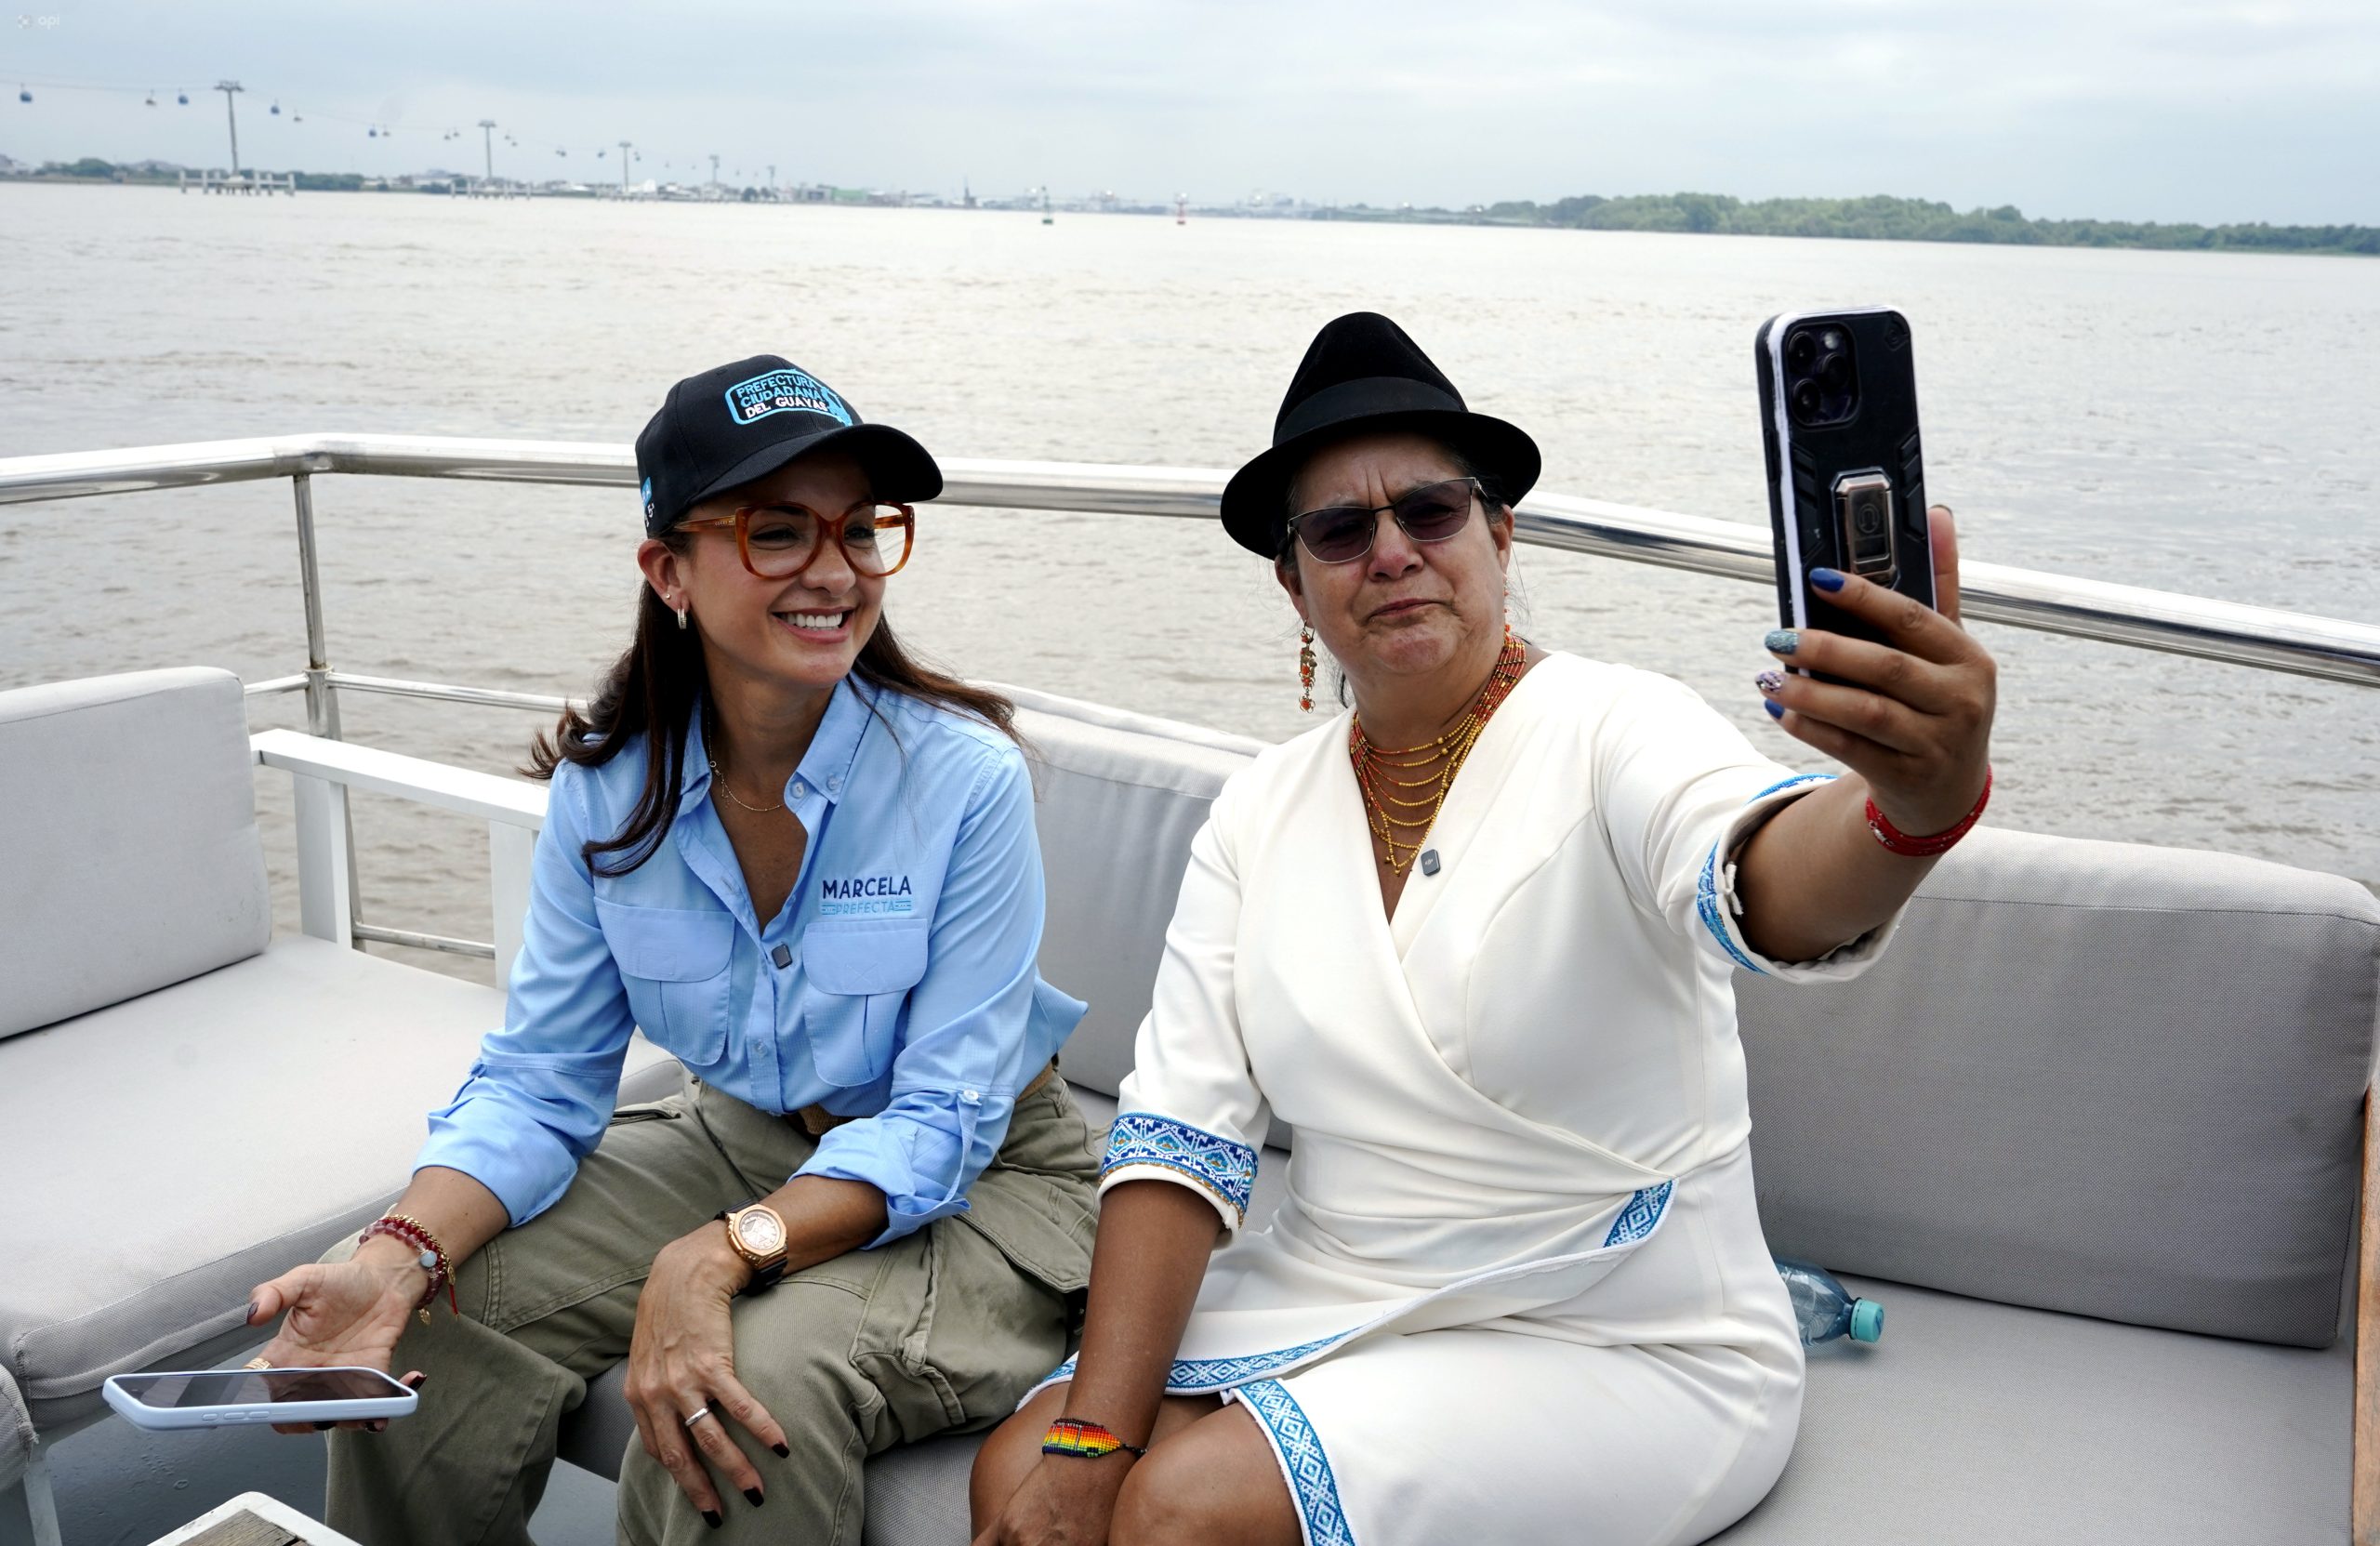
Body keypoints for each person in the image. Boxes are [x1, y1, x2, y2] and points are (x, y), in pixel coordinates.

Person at [971, 313, 1997, 1546]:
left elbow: (1756, 874)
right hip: (1336, 1285)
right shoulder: (1259, 808)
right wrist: (1089, 1438)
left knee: (1178, 1511)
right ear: (1294, 585)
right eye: (1339, 530)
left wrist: (1908, 808)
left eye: (1431, 509)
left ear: (1499, 534)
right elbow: (1180, 1136)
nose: (1390, 551)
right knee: (1022, 1472)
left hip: (1619, 1325)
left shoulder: (1615, 726)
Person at [245, 355, 1101, 1546]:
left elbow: (942, 1119)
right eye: (776, 531)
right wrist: (398, 1253)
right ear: (668, 570)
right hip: (741, 1140)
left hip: (986, 1180)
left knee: (745, 1384)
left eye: (860, 528)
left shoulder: (964, 780)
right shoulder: (609, 793)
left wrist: (720, 1252)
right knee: (420, 1299)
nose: (835, 569)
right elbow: (542, 1080)